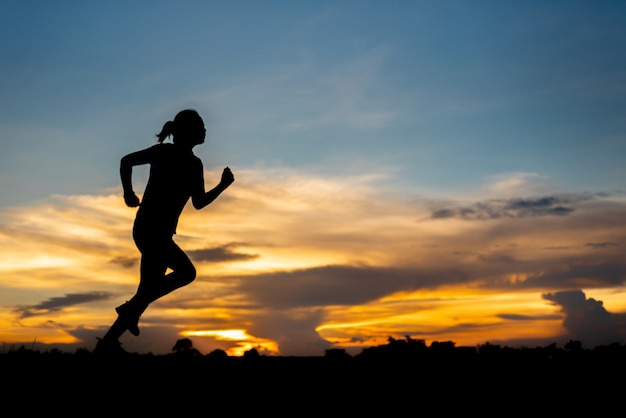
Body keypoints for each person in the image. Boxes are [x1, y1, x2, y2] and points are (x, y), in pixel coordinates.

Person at [95, 109, 234, 355]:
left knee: (146, 290)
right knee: (186, 273)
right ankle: (129, 313)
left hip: (162, 233)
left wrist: (222, 186)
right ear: (187, 131)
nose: (205, 129)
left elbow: (198, 202)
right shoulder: (162, 152)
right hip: (149, 229)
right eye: (200, 125)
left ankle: (109, 341)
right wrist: (127, 192)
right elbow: (126, 160)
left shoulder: (194, 164)